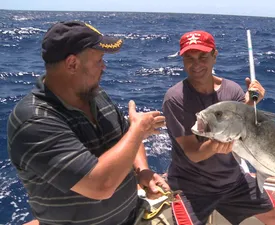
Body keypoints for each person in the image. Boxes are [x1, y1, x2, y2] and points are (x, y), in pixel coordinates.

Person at [7, 21, 169, 225]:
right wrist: (138, 131)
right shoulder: (33, 120)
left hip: (132, 216)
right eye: (99, 60)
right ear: (72, 64)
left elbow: (125, 138)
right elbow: (100, 185)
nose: (104, 66)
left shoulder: (97, 95)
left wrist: (142, 170)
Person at [162, 30, 275, 225]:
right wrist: (213, 145)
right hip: (190, 188)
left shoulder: (232, 90)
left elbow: (245, 130)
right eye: (189, 58)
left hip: (233, 181)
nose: (196, 64)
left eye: (203, 57)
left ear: (214, 56)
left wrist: (250, 104)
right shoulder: (176, 98)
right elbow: (192, 153)